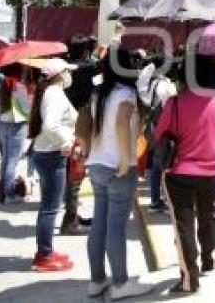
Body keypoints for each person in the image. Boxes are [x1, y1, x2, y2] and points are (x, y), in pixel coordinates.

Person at [156, 52, 215, 295]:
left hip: (180, 171)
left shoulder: (175, 103)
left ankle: (189, 278)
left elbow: (159, 135)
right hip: (212, 171)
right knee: (209, 215)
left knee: (183, 225)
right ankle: (210, 257)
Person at [85, 48, 152, 300]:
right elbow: (123, 121)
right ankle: (121, 283)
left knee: (99, 224)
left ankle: (97, 280)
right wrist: (125, 160)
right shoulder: (126, 94)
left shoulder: (99, 94)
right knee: (116, 227)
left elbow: (89, 125)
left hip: (98, 164)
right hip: (118, 166)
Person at [28, 58, 79, 272]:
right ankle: (45, 256)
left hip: (46, 153)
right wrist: (65, 143)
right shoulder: (55, 95)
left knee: (48, 207)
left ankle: (45, 250)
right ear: (60, 74)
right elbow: (51, 125)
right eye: (68, 71)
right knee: (50, 208)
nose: (71, 75)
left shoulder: (51, 93)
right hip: (52, 155)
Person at [60, 35, 99, 235]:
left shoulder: (62, 69)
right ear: (85, 51)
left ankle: (72, 215)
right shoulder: (89, 71)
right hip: (81, 126)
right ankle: (69, 220)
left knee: (71, 173)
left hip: (64, 125)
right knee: (76, 173)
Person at [137, 55, 178, 213]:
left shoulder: (152, 82)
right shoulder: (165, 86)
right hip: (165, 129)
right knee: (166, 165)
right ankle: (164, 200)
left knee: (157, 165)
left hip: (154, 127)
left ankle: (155, 200)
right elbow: (172, 105)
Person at [0, 63, 37, 204]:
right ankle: (9, 193)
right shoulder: (18, 86)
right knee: (13, 159)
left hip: (3, 122)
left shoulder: (2, 85)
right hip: (17, 124)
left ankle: (3, 188)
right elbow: (26, 108)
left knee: (6, 158)